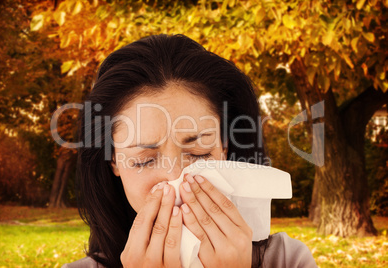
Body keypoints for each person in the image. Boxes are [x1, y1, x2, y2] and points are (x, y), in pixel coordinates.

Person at [64, 34, 317, 267]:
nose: (177, 176)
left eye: (198, 153)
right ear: (114, 162)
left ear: (224, 148)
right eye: (145, 160)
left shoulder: (289, 260)